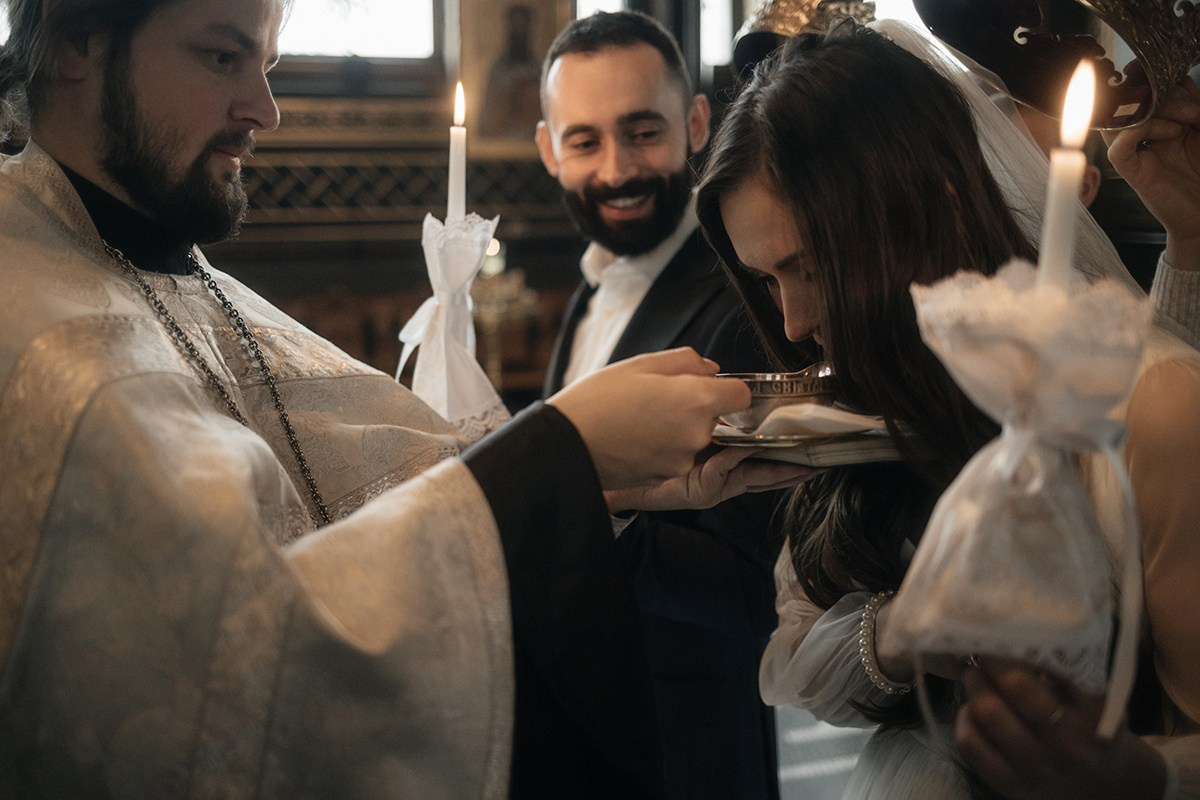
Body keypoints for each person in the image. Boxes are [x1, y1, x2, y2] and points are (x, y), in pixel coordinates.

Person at [0, 1, 803, 797]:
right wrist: (569, 456)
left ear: (696, 124)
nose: (265, 110)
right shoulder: (28, 325)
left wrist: (594, 478)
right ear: (79, 43)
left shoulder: (183, 271)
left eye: (268, 67)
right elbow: (237, 656)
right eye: (221, 57)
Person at [693, 20, 1200, 800]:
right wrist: (907, 630)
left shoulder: (1153, 406)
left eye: (814, 266)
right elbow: (797, 667)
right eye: (766, 280)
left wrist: (1138, 775)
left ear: (942, 206)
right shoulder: (866, 395)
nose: (790, 323)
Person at [534, 11, 785, 799]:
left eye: (643, 133)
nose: (617, 170)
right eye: (584, 141)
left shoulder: (745, 304)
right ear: (549, 150)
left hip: (690, 754)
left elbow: (761, 593)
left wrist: (580, 512)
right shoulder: (591, 286)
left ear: (696, 124)